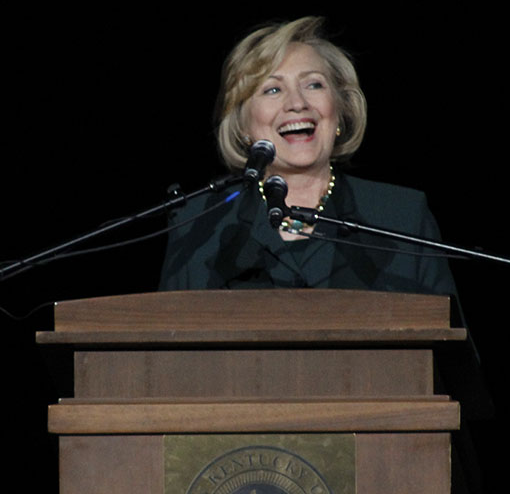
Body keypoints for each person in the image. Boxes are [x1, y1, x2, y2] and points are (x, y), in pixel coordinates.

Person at [159, 16, 458, 297]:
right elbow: (165, 348)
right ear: (242, 126)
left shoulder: (402, 216)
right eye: (272, 89)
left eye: (314, 84)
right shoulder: (198, 225)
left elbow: (446, 346)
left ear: (340, 109)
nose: (297, 103)